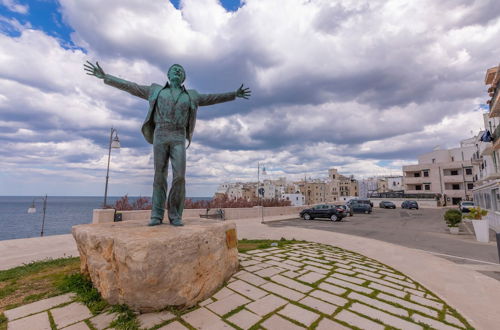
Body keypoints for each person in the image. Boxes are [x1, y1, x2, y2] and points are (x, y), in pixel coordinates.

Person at [84, 61, 251, 226]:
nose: (177, 72)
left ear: (183, 77)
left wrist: (234, 94)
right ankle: (156, 215)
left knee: (179, 177)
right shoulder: (155, 90)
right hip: (161, 133)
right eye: (174, 70)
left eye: (180, 70)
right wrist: (106, 77)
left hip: (179, 135)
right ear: (168, 75)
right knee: (159, 176)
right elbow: (131, 87)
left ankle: (175, 215)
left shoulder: (191, 95)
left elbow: (212, 98)